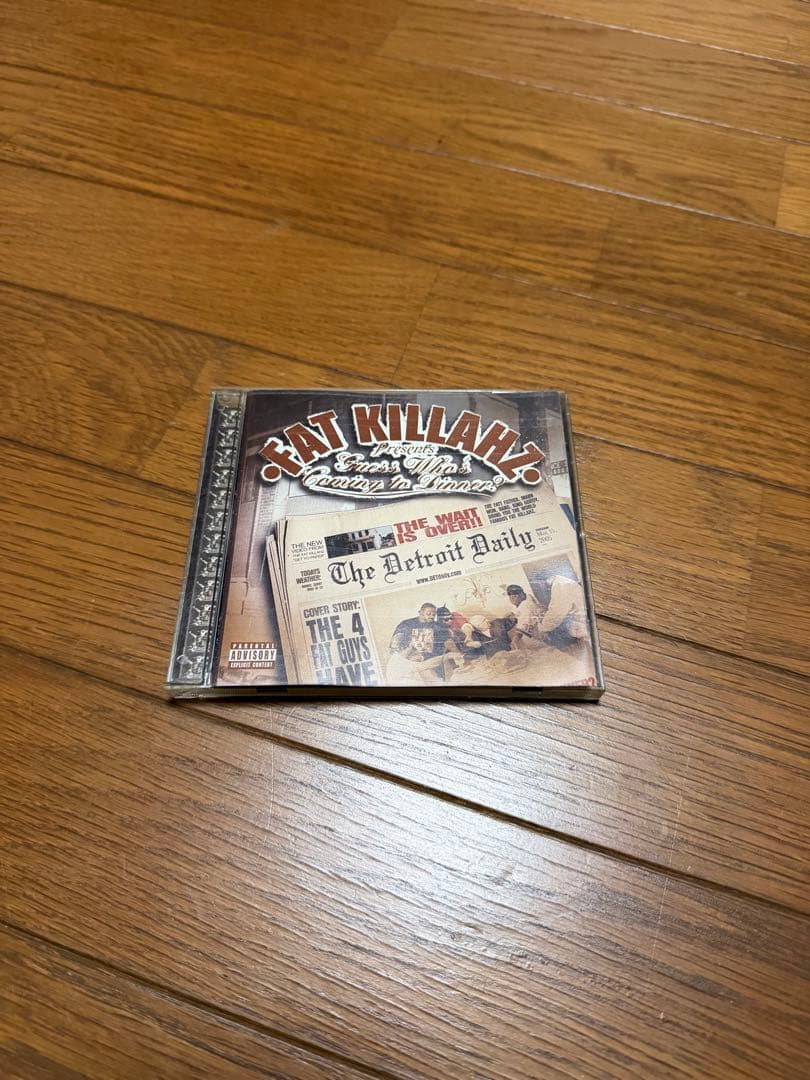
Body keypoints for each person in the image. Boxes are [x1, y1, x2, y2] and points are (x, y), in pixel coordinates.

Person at [505, 584, 543, 650]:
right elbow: (514, 611)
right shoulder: (523, 602)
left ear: (522, 595)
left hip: (536, 637)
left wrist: (515, 640)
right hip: (534, 634)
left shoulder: (525, 605)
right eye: (510, 597)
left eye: (515, 596)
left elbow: (525, 623)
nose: (512, 599)